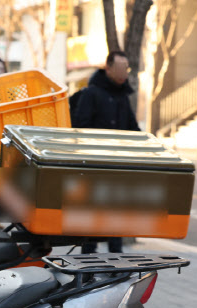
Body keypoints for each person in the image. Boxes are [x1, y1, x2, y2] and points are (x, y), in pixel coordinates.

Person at [72, 50, 140, 254]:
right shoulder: (91, 93)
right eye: (120, 68)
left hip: (118, 167)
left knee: (115, 214)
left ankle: (115, 257)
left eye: (126, 68)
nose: (124, 72)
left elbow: (133, 129)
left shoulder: (122, 96)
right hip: (94, 166)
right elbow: (80, 127)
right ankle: (88, 259)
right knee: (93, 215)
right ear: (108, 68)